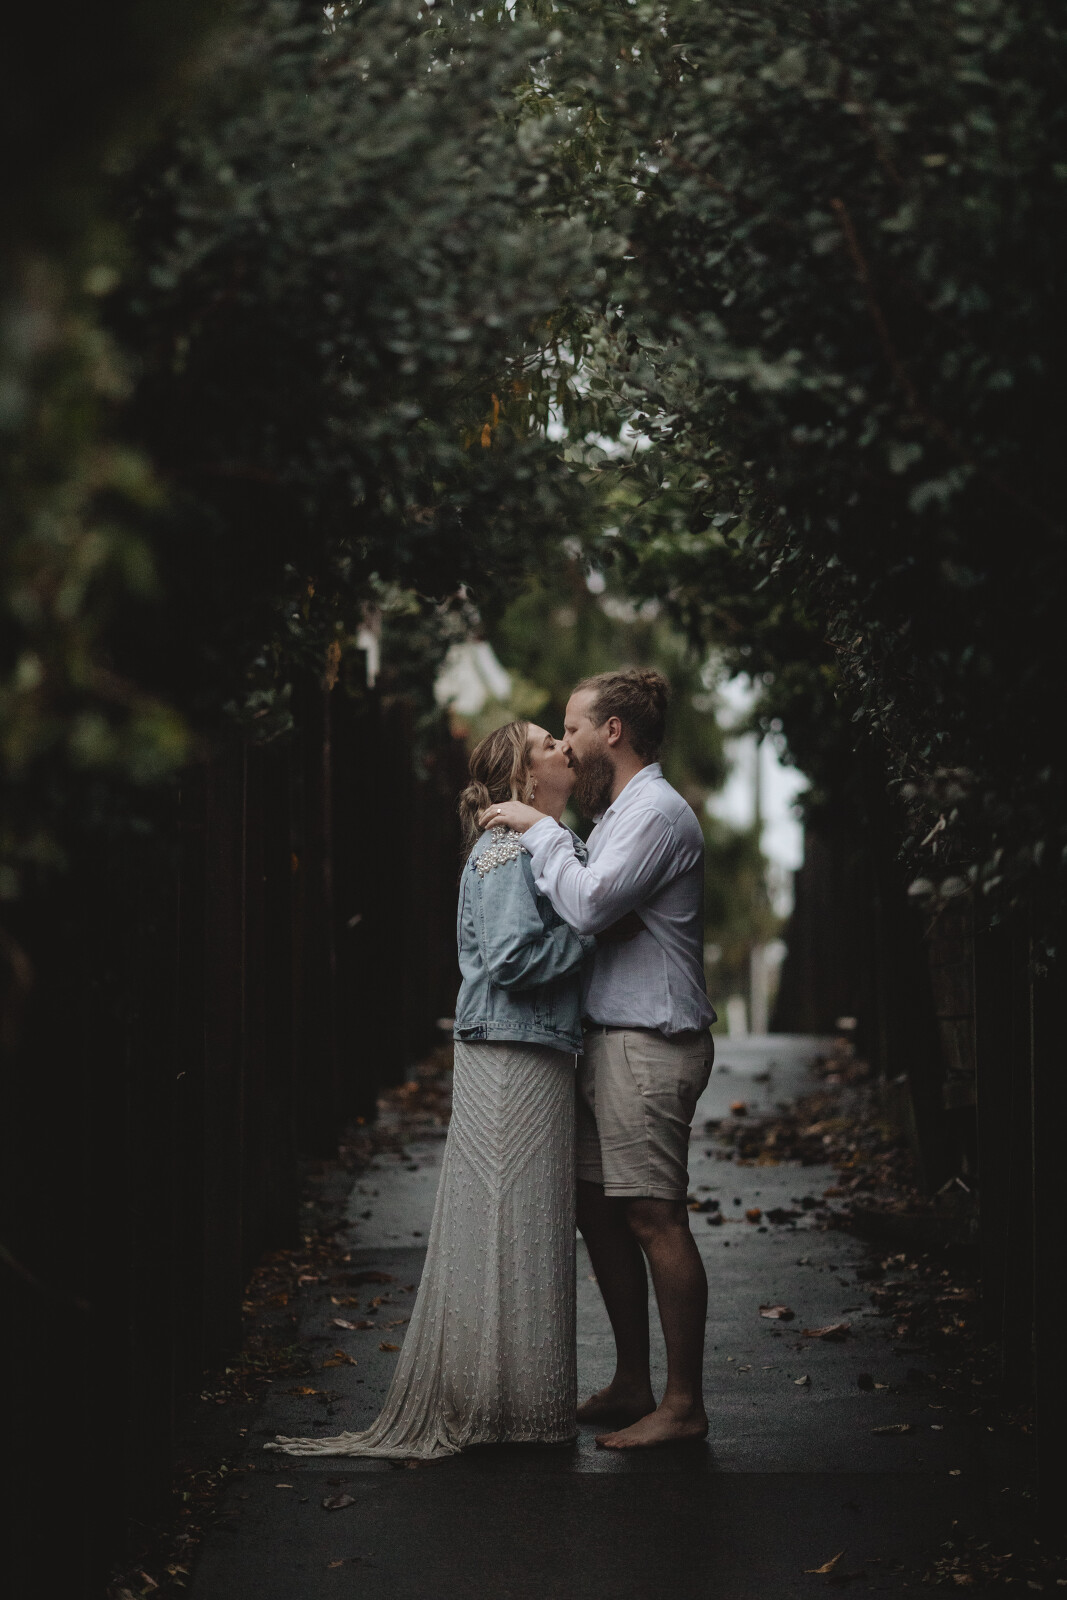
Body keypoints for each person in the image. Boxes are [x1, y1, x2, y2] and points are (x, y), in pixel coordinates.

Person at [270, 720, 594, 1460]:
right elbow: (510, 959)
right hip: (512, 1052)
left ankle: (515, 1401)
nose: (562, 748)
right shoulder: (507, 848)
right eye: (547, 742)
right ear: (522, 776)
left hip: (525, 1048)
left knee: (523, 1222)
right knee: (510, 1220)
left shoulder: (530, 842)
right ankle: (499, 1403)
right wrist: (592, 930)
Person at [479, 668, 716, 1450]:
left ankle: (682, 1405)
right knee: (599, 1213)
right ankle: (632, 1382)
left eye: (572, 727)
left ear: (611, 730)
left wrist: (534, 827)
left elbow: (583, 905)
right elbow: (585, 913)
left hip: (650, 1043)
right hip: (605, 1042)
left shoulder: (655, 813)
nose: (566, 744)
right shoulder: (616, 815)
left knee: (653, 1217)